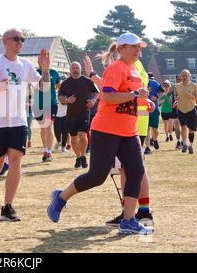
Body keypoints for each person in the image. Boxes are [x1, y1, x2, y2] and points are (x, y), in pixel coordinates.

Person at [47, 32, 154, 235]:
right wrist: (134, 95)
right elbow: (108, 96)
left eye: (140, 47)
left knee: (136, 171)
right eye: (134, 47)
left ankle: (129, 220)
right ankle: (61, 197)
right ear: (121, 48)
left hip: (129, 132)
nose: (138, 50)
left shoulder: (134, 71)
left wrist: (143, 102)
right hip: (106, 130)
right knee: (97, 176)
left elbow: (132, 98)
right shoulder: (116, 68)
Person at [0, 29, 50, 222]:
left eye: (22, 40)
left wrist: (46, 70)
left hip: (18, 121)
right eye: (17, 39)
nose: (20, 42)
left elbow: (44, 86)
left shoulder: (26, 65)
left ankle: (7, 207)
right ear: (5, 42)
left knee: (15, 160)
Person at [84, 53, 155, 227]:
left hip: (126, 122)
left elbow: (113, 92)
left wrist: (93, 75)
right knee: (135, 169)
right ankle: (140, 211)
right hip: (136, 119)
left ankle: (131, 213)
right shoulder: (136, 66)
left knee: (130, 170)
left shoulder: (129, 66)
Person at [58, 62, 99, 168]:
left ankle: (84, 156)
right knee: (74, 139)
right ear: (70, 70)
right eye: (73, 68)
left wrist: (93, 100)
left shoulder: (87, 81)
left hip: (84, 113)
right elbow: (61, 97)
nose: (75, 70)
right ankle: (78, 157)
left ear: (80, 69)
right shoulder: (66, 83)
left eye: (77, 68)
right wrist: (67, 100)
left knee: (82, 134)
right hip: (71, 115)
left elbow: (96, 92)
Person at [33, 59, 60, 162]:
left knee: (48, 126)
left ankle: (48, 152)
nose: (42, 62)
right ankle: (45, 149)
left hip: (51, 104)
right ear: (38, 62)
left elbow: (58, 86)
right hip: (38, 105)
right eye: (40, 60)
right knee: (43, 128)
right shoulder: (34, 73)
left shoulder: (54, 72)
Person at [175, 69, 197, 154]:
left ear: (189, 76)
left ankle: (190, 145)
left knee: (191, 129)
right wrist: (177, 98)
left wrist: (191, 96)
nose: (184, 77)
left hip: (191, 109)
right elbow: (176, 96)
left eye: (185, 75)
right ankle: (184, 144)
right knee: (183, 127)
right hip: (181, 109)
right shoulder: (177, 86)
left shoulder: (194, 86)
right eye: (182, 75)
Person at [144, 73, 164, 154]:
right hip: (144, 109)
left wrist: (157, 97)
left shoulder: (155, 83)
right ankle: (147, 147)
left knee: (155, 129)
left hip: (154, 109)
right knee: (146, 129)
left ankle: (155, 139)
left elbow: (162, 92)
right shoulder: (141, 83)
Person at [53, 75, 69, 153]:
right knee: (56, 130)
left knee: (65, 131)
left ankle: (63, 147)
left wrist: (65, 102)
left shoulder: (68, 92)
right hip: (56, 114)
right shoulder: (55, 92)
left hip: (66, 114)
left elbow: (68, 102)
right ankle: (59, 141)